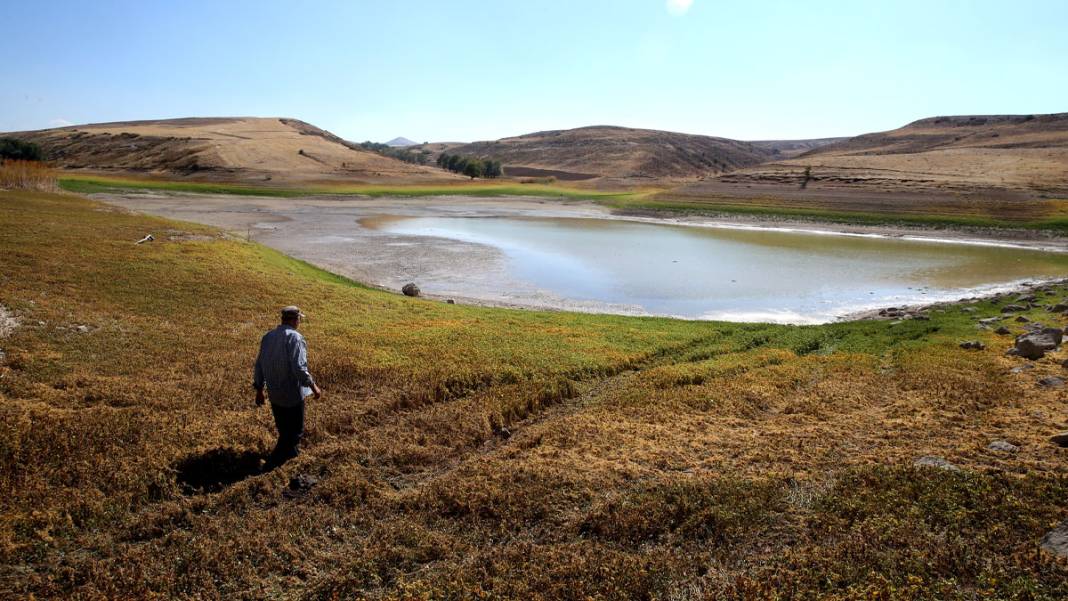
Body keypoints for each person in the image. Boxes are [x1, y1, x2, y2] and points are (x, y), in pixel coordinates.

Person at [253, 305, 322, 470]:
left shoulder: (268, 337)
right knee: (295, 432)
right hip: (292, 395)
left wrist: (259, 390)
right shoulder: (295, 338)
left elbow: (259, 365)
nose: (299, 322)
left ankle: (290, 457)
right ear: (295, 319)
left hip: (275, 394)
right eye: (299, 319)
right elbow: (299, 368)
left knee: (284, 430)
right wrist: (313, 386)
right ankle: (275, 464)